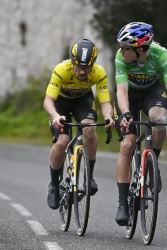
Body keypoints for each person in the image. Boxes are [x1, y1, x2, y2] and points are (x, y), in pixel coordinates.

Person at [113, 22, 167, 226]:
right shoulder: (121, 57)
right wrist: (126, 112)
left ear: (140, 49)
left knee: (160, 119)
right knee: (127, 145)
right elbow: (121, 92)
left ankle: (152, 162)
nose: (121, 51)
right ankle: (122, 203)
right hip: (129, 94)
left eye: (125, 48)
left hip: (151, 92)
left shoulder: (161, 55)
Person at [43, 38, 114, 210]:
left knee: (89, 128)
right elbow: (48, 101)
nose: (83, 71)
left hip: (82, 101)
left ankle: (89, 176)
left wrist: (109, 117)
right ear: (72, 62)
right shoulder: (61, 70)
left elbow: (105, 102)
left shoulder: (99, 72)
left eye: (87, 67)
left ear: (93, 64)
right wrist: (55, 116)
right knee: (62, 141)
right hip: (61, 104)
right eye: (79, 66)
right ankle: (53, 185)